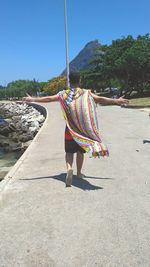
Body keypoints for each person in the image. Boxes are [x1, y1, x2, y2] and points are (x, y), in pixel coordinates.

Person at [23, 72, 128, 186]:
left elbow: (48, 99)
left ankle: (69, 168)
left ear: (69, 81)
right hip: (82, 131)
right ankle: (78, 173)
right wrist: (116, 101)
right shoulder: (86, 93)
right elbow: (100, 99)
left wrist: (32, 99)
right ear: (80, 81)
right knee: (80, 152)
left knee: (69, 152)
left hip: (70, 129)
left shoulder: (63, 94)